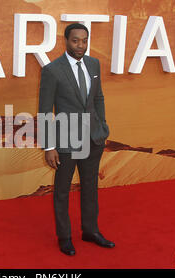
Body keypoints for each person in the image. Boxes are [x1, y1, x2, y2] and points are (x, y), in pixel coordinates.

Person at [38, 23, 115, 256]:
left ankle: (91, 231)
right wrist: (49, 146)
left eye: (84, 40)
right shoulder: (52, 70)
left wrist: (101, 125)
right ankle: (65, 237)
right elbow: (44, 111)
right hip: (66, 141)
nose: (80, 45)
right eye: (75, 41)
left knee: (91, 187)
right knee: (62, 190)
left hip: (93, 138)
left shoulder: (94, 64)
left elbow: (98, 96)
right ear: (66, 41)